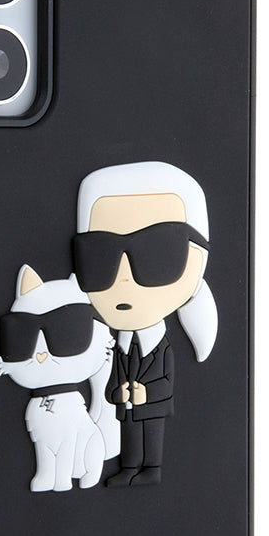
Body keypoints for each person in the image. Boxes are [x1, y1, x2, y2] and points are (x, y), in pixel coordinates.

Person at [73, 161, 218, 486]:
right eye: (101, 256)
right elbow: (112, 379)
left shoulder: (160, 346)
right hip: (126, 407)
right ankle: (129, 468)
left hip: (152, 407)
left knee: (151, 437)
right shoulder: (118, 345)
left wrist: (146, 392)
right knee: (130, 437)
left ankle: (151, 468)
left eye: (159, 253)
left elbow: (167, 378)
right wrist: (118, 392)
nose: (124, 276)